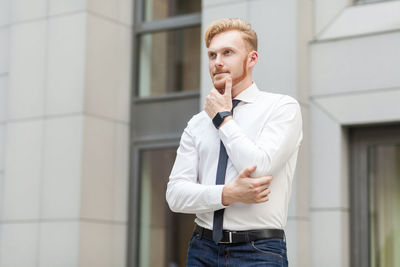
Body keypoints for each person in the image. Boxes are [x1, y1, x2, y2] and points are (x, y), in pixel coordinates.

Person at [166, 18, 302, 267]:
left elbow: (259, 168)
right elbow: (175, 195)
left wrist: (222, 119)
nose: (217, 62)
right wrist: (226, 194)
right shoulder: (197, 123)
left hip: (258, 251)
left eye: (227, 53)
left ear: (251, 59)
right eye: (212, 55)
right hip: (202, 247)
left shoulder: (281, 108)